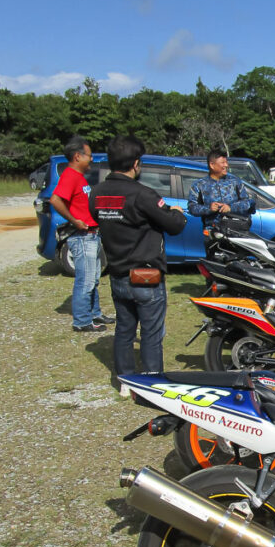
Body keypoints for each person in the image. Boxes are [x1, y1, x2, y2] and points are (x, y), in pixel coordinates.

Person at [89, 135, 187, 377]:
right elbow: (174, 225)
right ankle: (152, 381)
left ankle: (126, 379)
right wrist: (177, 212)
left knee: (124, 329)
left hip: (117, 272)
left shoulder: (97, 193)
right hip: (145, 273)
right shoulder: (143, 194)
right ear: (135, 163)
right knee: (151, 332)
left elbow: (97, 216)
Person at [50, 135, 112, 332]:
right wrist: (74, 220)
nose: (91, 159)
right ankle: (82, 321)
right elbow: (55, 200)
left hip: (92, 235)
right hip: (82, 237)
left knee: (93, 278)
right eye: (89, 155)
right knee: (85, 280)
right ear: (77, 156)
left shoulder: (79, 177)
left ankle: (94, 313)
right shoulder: (70, 176)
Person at [186, 150, 255, 232]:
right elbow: (192, 208)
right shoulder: (199, 185)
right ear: (212, 165)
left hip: (237, 230)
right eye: (223, 163)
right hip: (213, 232)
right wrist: (209, 208)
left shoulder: (235, 181)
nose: (226, 165)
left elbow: (249, 203)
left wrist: (230, 208)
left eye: (226, 162)